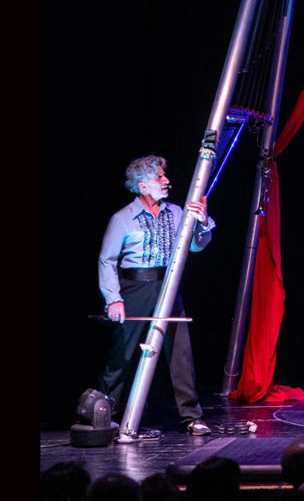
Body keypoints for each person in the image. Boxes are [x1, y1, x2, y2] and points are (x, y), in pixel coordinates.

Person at [97, 154, 217, 438]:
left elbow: (197, 246)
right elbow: (107, 260)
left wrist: (202, 221)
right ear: (142, 186)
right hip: (134, 287)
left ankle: (191, 417)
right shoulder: (122, 218)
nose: (166, 181)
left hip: (167, 285)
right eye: (159, 177)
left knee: (180, 353)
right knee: (123, 354)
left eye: (165, 175)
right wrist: (113, 298)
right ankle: (105, 414)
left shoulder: (175, 212)